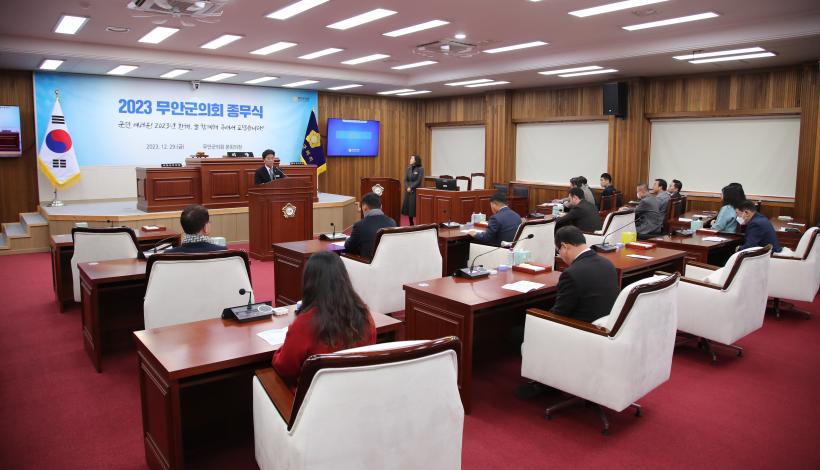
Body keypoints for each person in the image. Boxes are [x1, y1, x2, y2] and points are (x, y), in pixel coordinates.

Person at [272, 251, 376, 386]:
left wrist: (281, 349)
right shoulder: (363, 314)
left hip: (316, 396)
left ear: (309, 283)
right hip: (356, 390)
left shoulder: (305, 323)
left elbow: (285, 368)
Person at [552, 226, 619, 323]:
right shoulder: (608, 264)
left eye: (558, 251)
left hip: (580, 328)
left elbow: (558, 315)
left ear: (564, 247)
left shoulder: (571, 274)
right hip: (606, 324)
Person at [344, 192, 397, 259]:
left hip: (367, 264)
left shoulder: (359, 226)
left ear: (365, 207)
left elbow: (348, 247)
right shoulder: (392, 222)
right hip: (388, 261)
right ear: (381, 206)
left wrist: (347, 240)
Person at [401, 154, 424, 225]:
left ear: (416, 160)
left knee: (414, 208)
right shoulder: (408, 169)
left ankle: (418, 223)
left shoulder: (420, 169)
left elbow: (418, 181)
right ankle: (411, 222)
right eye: (410, 158)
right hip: (408, 191)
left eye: (412, 158)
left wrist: (411, 187)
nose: (410, 160)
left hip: (415, 191)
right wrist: (407, 187)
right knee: (409, 208)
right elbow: (405, 180)